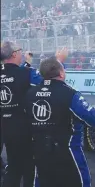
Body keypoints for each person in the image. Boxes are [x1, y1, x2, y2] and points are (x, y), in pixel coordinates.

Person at [24, 57, 95, 187]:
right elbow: (89, 114)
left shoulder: (30, 93)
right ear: (61, 73)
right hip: (66, 150)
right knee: (81, 181)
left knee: (41, 181)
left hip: (38, 148)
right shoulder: (69, 93)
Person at [0, 41, 68, 187]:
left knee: (13, 167)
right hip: (24, 128)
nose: (22, 53)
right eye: (20, 51)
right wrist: (58, 62)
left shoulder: (22, 71)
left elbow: (12, 75)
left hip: (4, 127)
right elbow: (50, 79)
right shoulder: (26, 73)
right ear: (14, 54)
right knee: (30, 168)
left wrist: (28, 64)